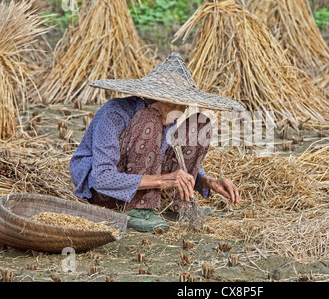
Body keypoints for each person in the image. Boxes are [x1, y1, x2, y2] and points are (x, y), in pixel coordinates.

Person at [69, 52, 244, 232]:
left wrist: (206, 181)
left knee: (200, 124)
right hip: (106, 194)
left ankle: (175, 205)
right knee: (149, 119)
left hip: (149, 185)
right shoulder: (115, 113)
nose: (178, 112)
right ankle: (139, 209)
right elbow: (101, 178)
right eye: (172, 104)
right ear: (154, 97)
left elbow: (171, 157)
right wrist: (161, 181)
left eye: (182, 106)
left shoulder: (168, 117)